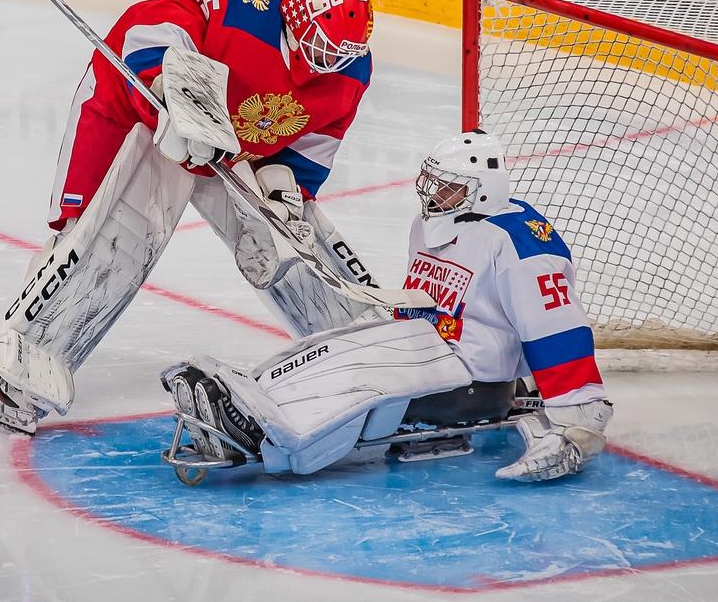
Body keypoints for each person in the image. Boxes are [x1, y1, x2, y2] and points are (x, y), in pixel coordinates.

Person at [0, 0, 382, 434]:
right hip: (132, 112)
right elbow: (144, 28)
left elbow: (314, 144)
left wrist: (286, 192)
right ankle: (23, 373)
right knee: (102, 238)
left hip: (229, 145)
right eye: (321, 46)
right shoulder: (246, 4)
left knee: (286, 241)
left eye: (339, 54)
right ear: (296, 18)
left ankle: (362, 358)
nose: (325, 62)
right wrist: (164, 95)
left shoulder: (350, 73)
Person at [167, 130, 613, 481]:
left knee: (360, 373)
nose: (433, 195)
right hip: (427, 345)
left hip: (472, 380)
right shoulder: (429, 224)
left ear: (480, 192)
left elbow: (556, 328)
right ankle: (251, 393)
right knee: (338, 345)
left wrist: (578, 422)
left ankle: (263, 433)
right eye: (433, 184)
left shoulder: (519, 242)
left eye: (448, 188)